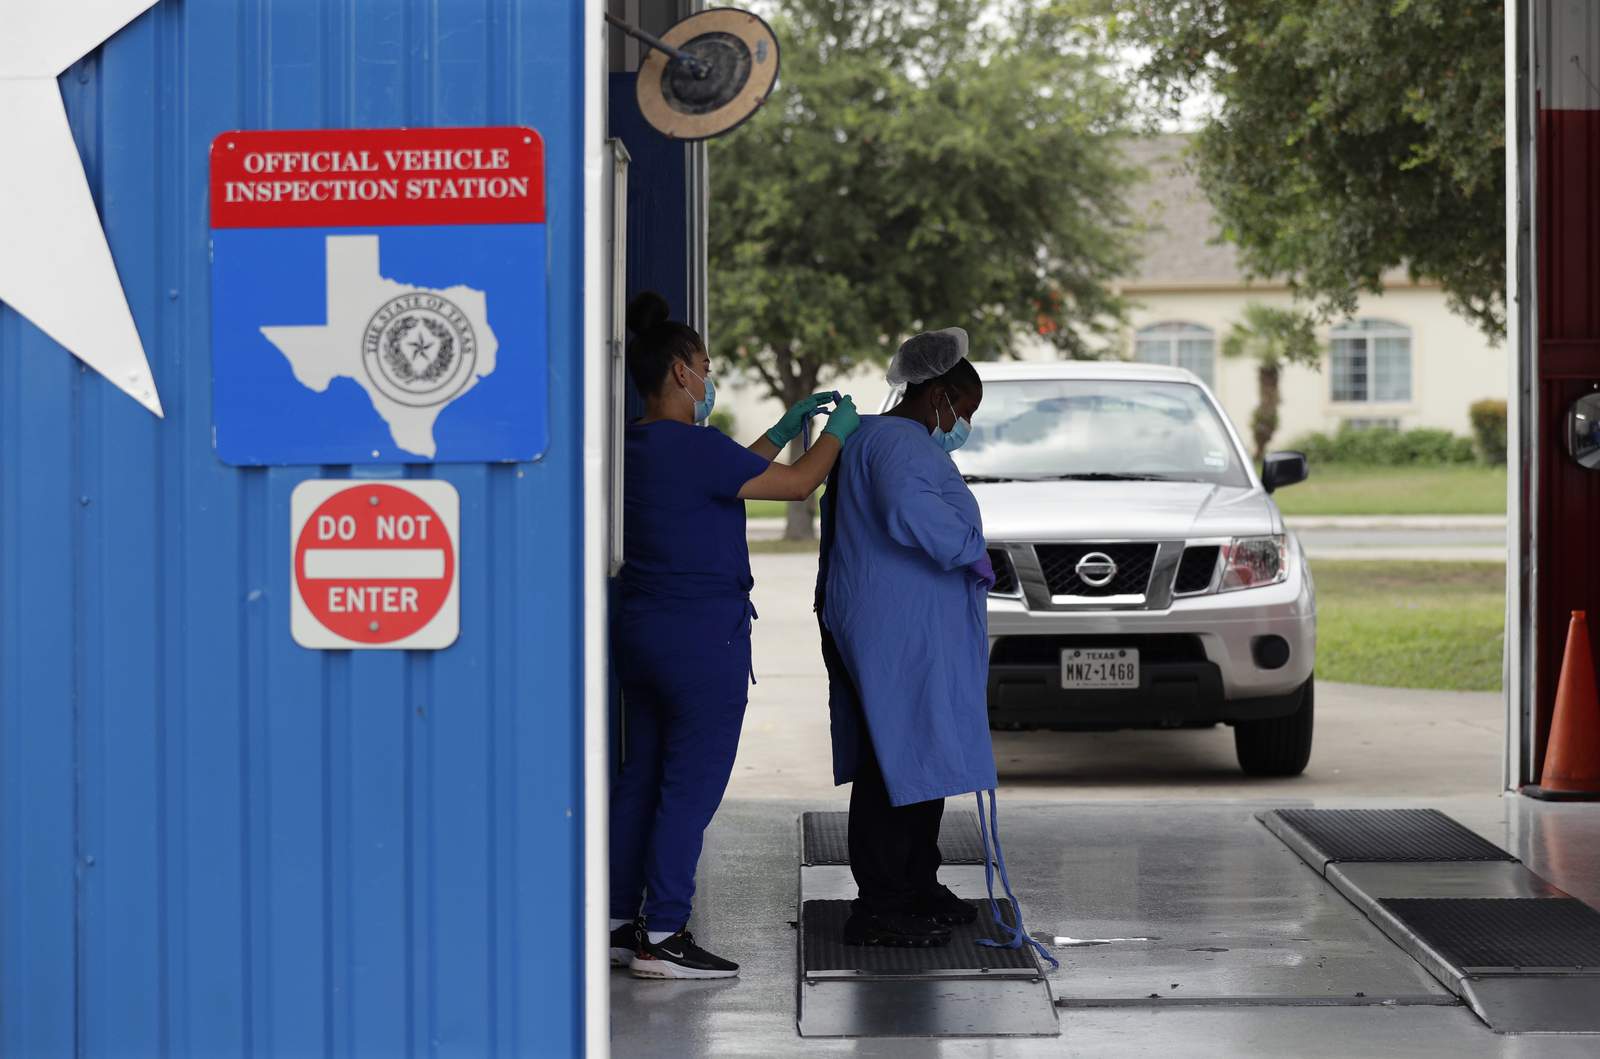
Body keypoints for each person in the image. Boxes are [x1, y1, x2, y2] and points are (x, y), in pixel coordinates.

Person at [610, 292, 860, 979]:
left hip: (641, 634)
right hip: (701, 642)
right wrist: (838, 432)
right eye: (707, 367)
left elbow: (732, 473)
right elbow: (799, 485)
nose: (709, 377)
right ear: (682, 371)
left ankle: (618, 922)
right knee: (689, 788)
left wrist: (782, 428)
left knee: (642, 776)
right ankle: (664, 932)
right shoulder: (700, 448)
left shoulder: (632, 444)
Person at [815, 326, 999, 948]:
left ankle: (918, 883)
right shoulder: (897, 442)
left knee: (921, 755)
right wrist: (969, 549)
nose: (963, 424)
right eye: (964, 410)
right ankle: (881, 905)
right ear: (938, 393)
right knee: (891, 762)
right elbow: (910, 512)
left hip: (903, 627)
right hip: (893, 630)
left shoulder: (883, 438)